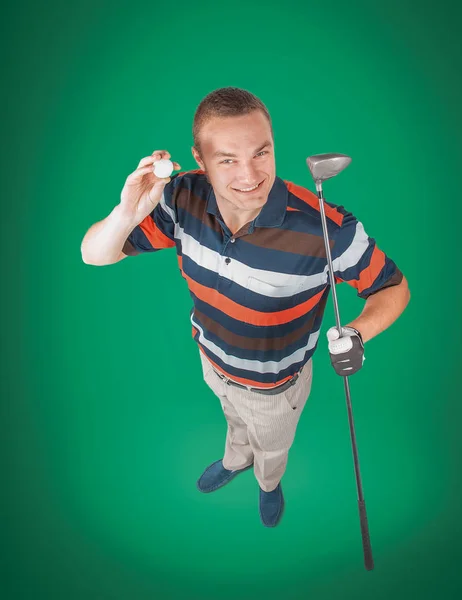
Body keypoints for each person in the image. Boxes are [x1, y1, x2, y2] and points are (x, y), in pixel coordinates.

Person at [81, 87, 410, 528]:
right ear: (199, 158)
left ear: (273, 145)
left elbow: (393, 287)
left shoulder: (328, 230)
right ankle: (234, 460)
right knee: (233, 419)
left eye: (261, 153)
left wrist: (357, 333)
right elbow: (95, 254)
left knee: (271, 446)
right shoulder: (182, 198)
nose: (250, 174)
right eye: (228, 160)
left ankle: (269, 483)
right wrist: (126, 212)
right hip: (213, 360)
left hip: (276, 387)